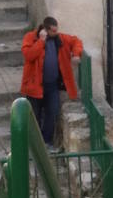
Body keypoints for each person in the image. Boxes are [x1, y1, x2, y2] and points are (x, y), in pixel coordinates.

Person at [20, 16, 84, 148]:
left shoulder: (60, 39)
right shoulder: (30, 37)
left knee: (52, 112)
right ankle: (35, 145)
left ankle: (46, 142)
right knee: (34, 116)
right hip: (35, 86)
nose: (56, 33)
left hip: (52, 86)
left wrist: (76, 54)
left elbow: (76, 41)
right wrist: (41, 41)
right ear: (46, 29)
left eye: (56, 30)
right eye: (53, 31)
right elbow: (29, 55)